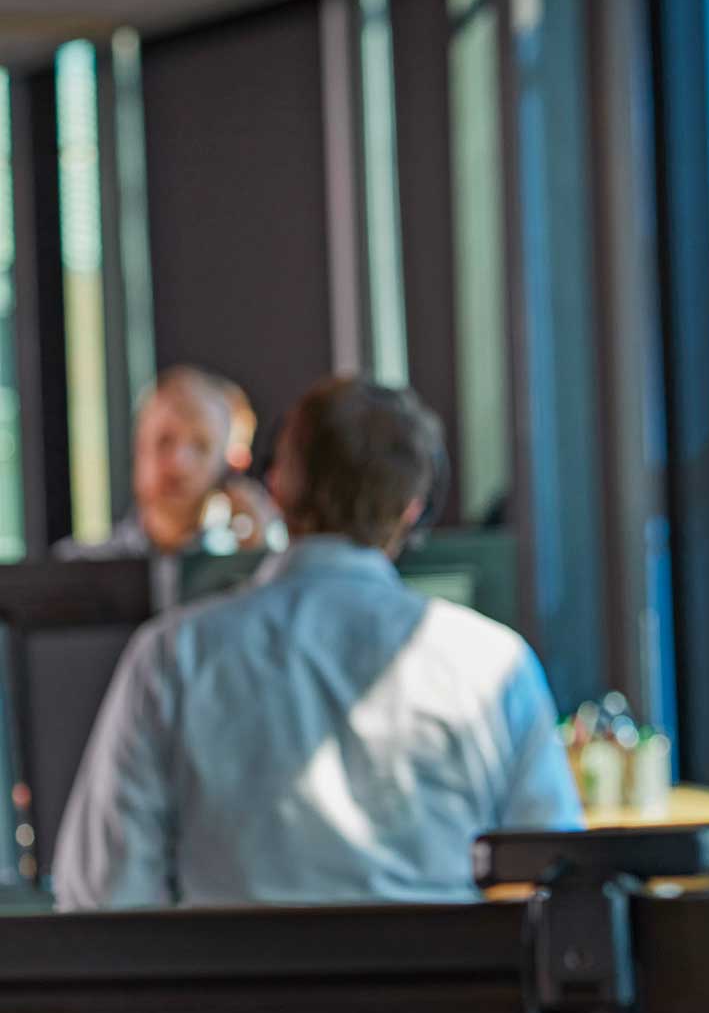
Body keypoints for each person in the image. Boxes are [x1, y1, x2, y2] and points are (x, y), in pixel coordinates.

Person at [54, 376, 583, 909]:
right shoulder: (493, 665)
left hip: (230, 989)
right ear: (412, 510)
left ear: (278, 487)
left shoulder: (173, 657)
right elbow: (558, 879)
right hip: (439, 988)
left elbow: (102, 893)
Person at [54, 366, 279, 561]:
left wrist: (259, 557)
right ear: (138, 448)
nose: (179, 464)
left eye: (201, 447)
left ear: (226, 466)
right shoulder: (75, 566)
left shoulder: (250, 561)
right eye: (164, 441)